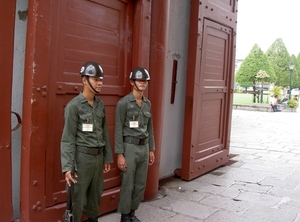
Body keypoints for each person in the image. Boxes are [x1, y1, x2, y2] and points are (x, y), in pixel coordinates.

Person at [61, 61, 113, 222]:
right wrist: (67, 166)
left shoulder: (100, 105)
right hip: (81, 160)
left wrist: (107, 157)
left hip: (97, 159)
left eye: (101, 80)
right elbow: (67, 138)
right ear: (84, 80)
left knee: (95, 195)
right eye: (96, 79)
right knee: (77, 197)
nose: (100, 83)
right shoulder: (74, 106)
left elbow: (104, 132)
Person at [114, 67, 155, 222]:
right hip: (129, 147)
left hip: (144, 147)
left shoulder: (147, 104)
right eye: (139, 80)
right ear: (132, 82)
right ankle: (124, 216)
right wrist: (120, 154)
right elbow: (118, 130)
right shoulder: (123, 103)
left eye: (145, 81)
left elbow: (150, 128)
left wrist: (151, 149)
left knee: (140, 184)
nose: (143, 83)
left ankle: (132, 213)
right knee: (128, 184)